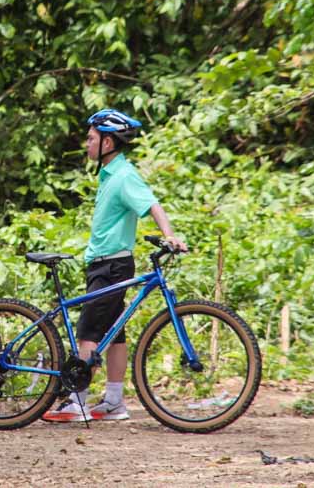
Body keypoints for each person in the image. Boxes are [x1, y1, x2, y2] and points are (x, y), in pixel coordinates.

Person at [42, 109, 188, 423]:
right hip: (108, 263)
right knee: (114, 333)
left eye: (91, 139)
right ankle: (113, 401)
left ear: (108, 142)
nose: (87, 144)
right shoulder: (111, 173)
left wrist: (170, 236)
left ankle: (77, 401)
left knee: (89, 333)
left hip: (110, 266)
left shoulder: (123, 176)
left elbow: (151, 204)